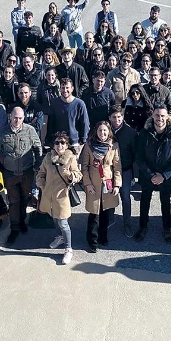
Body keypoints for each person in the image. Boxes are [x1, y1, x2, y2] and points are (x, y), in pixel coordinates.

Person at [134, 105, 171, 242]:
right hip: (148, 175)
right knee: (144, 202)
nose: (159, 119)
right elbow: (139, 157)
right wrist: (151, 175)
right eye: (157, 115)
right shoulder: (145, 133)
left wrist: (164, 176)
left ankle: (166, 229)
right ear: (152, 116)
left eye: (162, 116)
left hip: (166, 176)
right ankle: (142, 227)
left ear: (167, 117)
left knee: (165, 202)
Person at [0, 107, 42, 244]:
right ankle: (14, 228)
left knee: (24, 199)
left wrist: (38, 164)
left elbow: (38, 147)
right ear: (10, 116)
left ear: (23, 117)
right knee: (14, 201)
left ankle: (22, 221)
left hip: (27, 172)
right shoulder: (2, 132)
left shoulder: (30, 130)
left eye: (20, 118)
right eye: (15, 118)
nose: (17, 121)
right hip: (10, 173)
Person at [37, 131, 83, 265]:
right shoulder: (48, 157)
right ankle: (60, 238)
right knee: (55, 219)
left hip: (62, 196)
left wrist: (70, 176)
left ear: (67, 145)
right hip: (48, 196)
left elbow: (78, 174)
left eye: (63, 143)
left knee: (63, 223)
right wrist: (41, 185)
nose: (59, 145)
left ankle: (68, 249)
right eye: (57, 142)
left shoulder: (70, 158)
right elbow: (41, 173)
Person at [80, 121, 122, 252]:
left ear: (108, 132)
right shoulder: (89, 145)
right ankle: (92, 241)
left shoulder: (114, 146)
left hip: (107, 184)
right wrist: (88, 184)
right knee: (94, 214)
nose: (102, 133)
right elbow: (84, 167)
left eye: (105, 131)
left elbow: (117, 166)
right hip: (94, 184)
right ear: (96, 132)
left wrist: (117, 185)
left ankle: (103, 237)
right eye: (100, 131)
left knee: (106, 213)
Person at [108, 105, 137, 237]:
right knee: (109, 196)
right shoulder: (105, 131)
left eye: (119, 117)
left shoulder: (130, 133)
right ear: (109, 118)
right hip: (109, 170)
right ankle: (110, 218)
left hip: (125, 170)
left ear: (123, 117)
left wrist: (133, 175)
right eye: (114, 117)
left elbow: (135, 154)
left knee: (125, 197)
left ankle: (127, 223)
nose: (117, 119)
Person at [46, 78, 89, 153]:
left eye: (67, 88)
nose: (65, 90)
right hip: (58, 143)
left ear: (72, 89)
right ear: (60, 89)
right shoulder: (54, 103)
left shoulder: (79, 104)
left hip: (74, 143)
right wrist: (50, 141)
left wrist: (82, 142)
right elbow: (50, 124)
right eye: (63, 88)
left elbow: (85, 124)